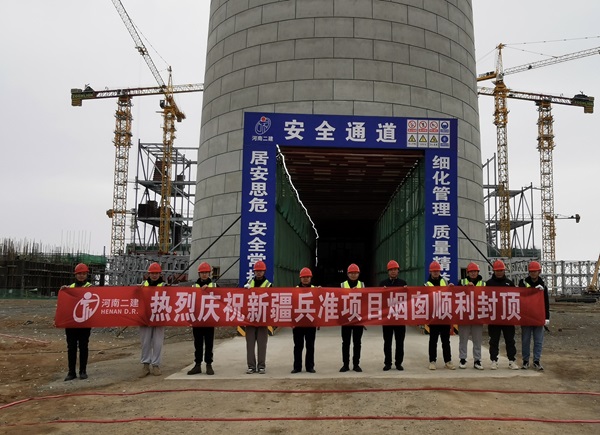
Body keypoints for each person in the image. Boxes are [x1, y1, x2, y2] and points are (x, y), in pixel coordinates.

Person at [60, 263, 92, 381]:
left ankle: (83, 371)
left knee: (83, 347)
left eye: (83, 274)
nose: (81, 276)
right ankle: (71, 372)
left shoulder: (91, 288)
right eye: (79, 274)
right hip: (71, 323)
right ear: (75, 275)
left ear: (87, 275)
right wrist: (63, 290)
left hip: (85, 322)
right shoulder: (70, 288)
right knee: (71, 348)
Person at [486, 260, 520, 370]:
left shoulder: (509, 283)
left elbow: (517, 298)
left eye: (501, 270)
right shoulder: (489, 284)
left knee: (510, 340)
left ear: (504, 271)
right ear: (494, 271)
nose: (499, 272)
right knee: (494, 340)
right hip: (494, 317)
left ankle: (511, 360)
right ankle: (494, 360)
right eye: (497, 270)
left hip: (507, 317)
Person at [518, 261, 550, 371]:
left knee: (538, 340)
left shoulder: (543, 286)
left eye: (535, 271)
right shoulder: (523, 283)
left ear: (539, 272)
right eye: (531, 271)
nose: (533, 273)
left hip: (538, 316)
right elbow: (520, 295)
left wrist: (547, 317)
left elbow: (546, 302)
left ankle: (536, 361)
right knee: (525, 340)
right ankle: (525, 361)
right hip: (526, 316)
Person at [187, 262, 217, 376]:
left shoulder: (214, 286)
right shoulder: (193, 287)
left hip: (209, 318)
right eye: (202, 273)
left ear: (209, 274)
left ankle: (209, 364)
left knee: (209, 343)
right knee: (198, 343)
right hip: (197, 319)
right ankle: (197, 365)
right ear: (199, 274)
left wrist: (208, 289)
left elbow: (221, 298)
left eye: (206, 272)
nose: (204, 274)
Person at [425, 261, 456, 370]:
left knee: (445, 340)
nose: (435, 272)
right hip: (433, 317)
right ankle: (432, 361)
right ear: (430, 272)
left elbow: (452, 296)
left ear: (440, 271)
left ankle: (448, 361)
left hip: (444, 315)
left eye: (437, 271)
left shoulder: (446, 282)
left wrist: (452, 288)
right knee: (433, 340)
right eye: (434, 271)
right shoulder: (426, 285)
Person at [380, 260, 408, 371]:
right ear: (388, 271)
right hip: (387, 318)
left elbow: (408, 299)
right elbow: (378, 299)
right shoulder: (382, 284)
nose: (393, 271)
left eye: (395, 269)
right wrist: (382, 291)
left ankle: (398, 363)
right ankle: (387, 363)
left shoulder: (403, 283)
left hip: (399, 318)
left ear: (398, 271)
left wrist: (406, 291)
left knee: (400, 342)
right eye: (391, 270)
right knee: (387, 342)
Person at [244, 260, 271, 374]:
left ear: (264, 271)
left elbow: (272, 301)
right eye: (257, 271)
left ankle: (261, 366)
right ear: (254, 271)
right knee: (250, 344)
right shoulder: (248, 283)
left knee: (262, 344)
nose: (259, 272)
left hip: (262, 318)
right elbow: (242, 299)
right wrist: (245, 290)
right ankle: (251, 366)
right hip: (250, 318)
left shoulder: (269, 285)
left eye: (261, 271)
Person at [139, 262, 166, 377]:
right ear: (148, 274)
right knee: (145, 342)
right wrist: (138, 290)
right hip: (145, 317)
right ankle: (145, 365)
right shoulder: (143, 285)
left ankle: (156, 365)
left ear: (160, 274)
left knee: (157, 342)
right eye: (152, 273)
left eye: (156, 273)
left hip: (159, 316)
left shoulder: (164, 286)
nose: (154, 275)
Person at [457, 262, 485, 370]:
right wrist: (466, 288)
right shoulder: (462, 282)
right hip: (465, 314)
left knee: (477, 339)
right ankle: (462, 359)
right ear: (467, 273)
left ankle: (477, 360)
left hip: (478, 315)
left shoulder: (484, 284)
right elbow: (456, 295)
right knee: (463, 339)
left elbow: (487, 296)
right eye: (471, 271)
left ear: (478, 272)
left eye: (475, 271)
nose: (473, 273)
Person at [340, 263, 366, 373]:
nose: (353, 275)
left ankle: (356, 364)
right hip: (346, 319)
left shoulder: (362, 285)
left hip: (358, 318)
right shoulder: (342, 285)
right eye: (351, 273)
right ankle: (345, 365)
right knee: (345, 343)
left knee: (357, 343)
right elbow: (338, 300)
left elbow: (366, 300)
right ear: (347, 274)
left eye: (355, 273)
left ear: (358, 274)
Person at [291, 267, 317, 374]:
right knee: (298, 346)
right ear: (300, 278)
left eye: (307, 277)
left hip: (311, 323)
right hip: (298, 323)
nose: (306, 279)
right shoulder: (295, 290)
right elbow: (291, 306)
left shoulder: (316, 290)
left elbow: (320, 305)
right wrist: (292, 321)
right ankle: (297, 367)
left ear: (311, 278)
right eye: (304, 277)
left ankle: (310, 367)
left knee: (310, 346)